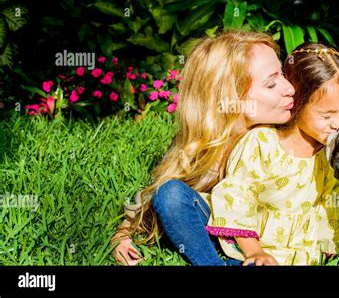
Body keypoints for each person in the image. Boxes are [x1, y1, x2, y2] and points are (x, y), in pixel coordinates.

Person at [111, 30, 296, 265]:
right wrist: (122, 236)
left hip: (270, 236)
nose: (289, 87)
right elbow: (152, 196)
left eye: (282, 74)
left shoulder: (285, 138)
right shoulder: (204, 149)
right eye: (271, 84)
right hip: (226, 234)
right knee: (171, 194)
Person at [207, 42, 339, 265]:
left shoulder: (332, 152)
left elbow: (337, 203)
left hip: (317, 240)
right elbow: (237, 198)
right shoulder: (262, 144)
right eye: (326, 116)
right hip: (264, 245)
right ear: (296, 102)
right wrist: (254, 251)